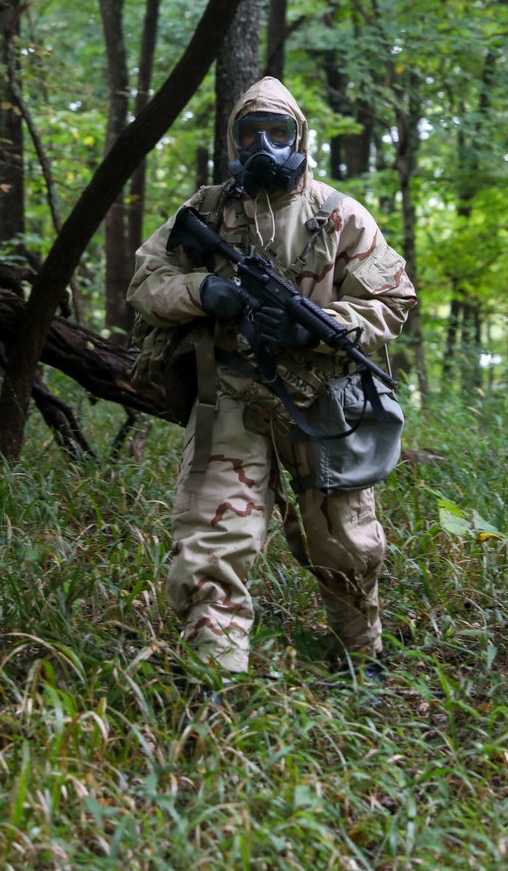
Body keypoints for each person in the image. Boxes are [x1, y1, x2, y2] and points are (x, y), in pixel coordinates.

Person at [127, 77, 416, 678]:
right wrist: (203, 291)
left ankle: (363, 656)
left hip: (321, 399)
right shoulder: (204, 213)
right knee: (212, 536)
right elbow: (145, 286)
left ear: (299, 137)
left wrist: (320, 326)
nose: (264, 143)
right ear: (233, 139)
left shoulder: (339, 215)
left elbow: (390, 302)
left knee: (341, 540)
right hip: (229, 391)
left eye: (278, 132)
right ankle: (214, 672)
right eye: (250, 132)